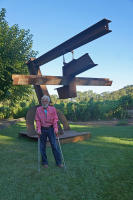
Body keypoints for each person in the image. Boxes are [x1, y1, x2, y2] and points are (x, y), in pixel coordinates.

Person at [35, 95, 63, 168]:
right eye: (43, 101)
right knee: (42, 146)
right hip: (42, 129)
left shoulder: (53, 109)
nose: (44, 102)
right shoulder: (38, 109)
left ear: (48, 101)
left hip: (51, 129)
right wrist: (38, 129)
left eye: (46, 101)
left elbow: (55, 119)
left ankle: (59, 162)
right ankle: (44, 162)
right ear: (41, 101)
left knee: (54, 146)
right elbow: (37, 120)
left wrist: (56, 128)